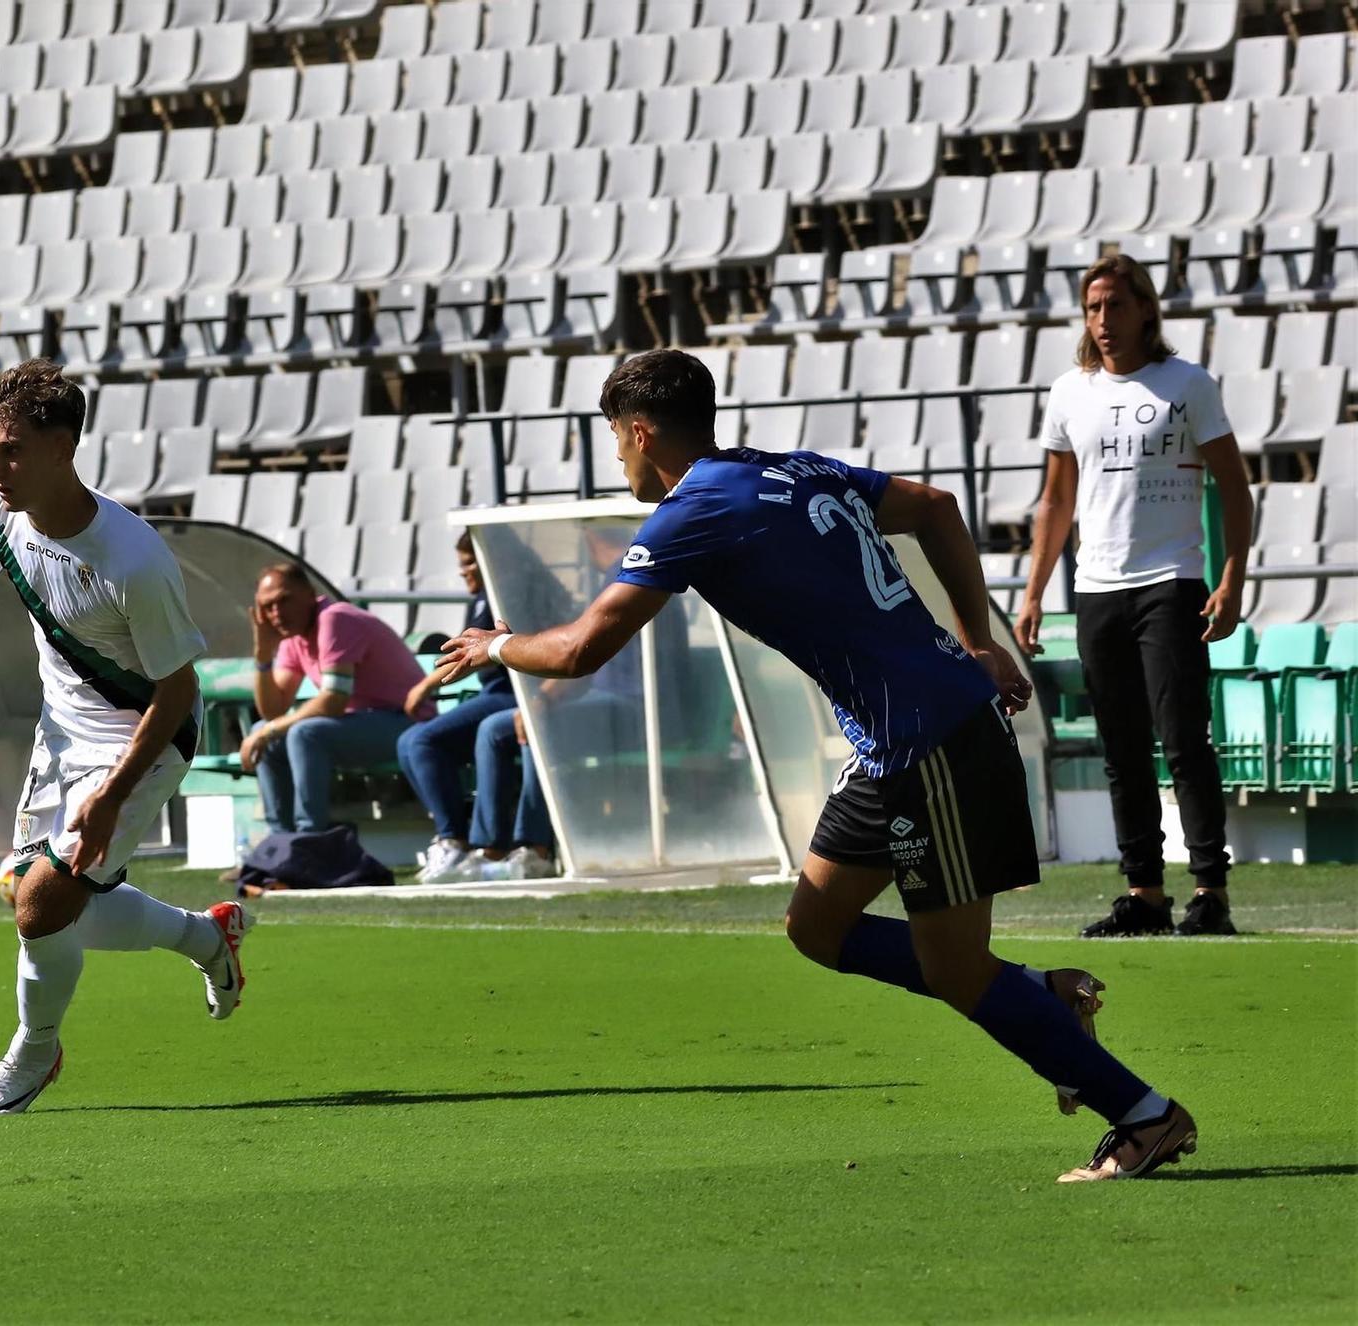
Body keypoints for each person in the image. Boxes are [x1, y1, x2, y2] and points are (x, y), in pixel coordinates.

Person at [438, 349, 1197, 1183]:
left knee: (954, 970)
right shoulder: (792, 469)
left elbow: (582, 648)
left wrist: (494, 645)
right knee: (816, 927)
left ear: (641, 431)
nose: (618, 456)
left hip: (928, 742)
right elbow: (938, 506)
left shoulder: (692, 511)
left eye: (617, 438)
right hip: (891, 745)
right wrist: (977, 640)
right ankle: (1042, 999)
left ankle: (1142, 1113)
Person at [0, 358, 252, 1118]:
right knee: (35, 898)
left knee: (42, 904)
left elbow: (175, 691)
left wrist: (111, 795)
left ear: (63, 446)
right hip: (61, 732)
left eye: (11, 449)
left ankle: (34, 1054)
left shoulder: (134, 560)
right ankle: (206, 939)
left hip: (145, 735)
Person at [1015, 254, 1252, 940]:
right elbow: (1057, 500)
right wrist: (1033, 594)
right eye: (1093, 308)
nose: (1103, 320)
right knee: (1120, 749)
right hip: (1097, 590)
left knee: (1183, 742)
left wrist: (1233, 576)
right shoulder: (1069, 392)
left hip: (1171, 583)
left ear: (1145, 308)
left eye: (1115, 305)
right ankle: (1144, 894)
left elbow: (1234, 487)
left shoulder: (1187, 384)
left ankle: (1211, 892)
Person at [245, 562, 430, 834]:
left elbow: (333, 701)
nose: (277, 613)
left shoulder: (335, 618)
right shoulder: (292, 638)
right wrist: (263, 655)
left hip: (406, 723)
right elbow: (273, 711)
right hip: (357, 725)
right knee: (262, 731)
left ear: (310, 594)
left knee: (303, 734)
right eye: (268, 606)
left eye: (284, 600)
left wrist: (270, 730)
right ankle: (280, 844)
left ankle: (310, 838)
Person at [396, 533, 525, 881]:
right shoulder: (482, 598)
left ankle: (455, 841)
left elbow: (473, 655)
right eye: (462, 565)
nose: (464, 572)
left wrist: (425, 684)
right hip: (490, 695)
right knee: (409, 742)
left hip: (514, 695)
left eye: (470, 562)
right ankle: (448, 836)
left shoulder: (506, 593)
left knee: (424, 741)